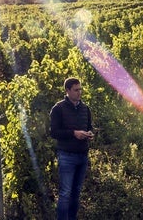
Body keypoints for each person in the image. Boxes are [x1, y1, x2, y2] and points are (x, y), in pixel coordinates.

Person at [50, 77, 94, 220]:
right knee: (65, 193)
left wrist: (90, 134)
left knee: (76, 192)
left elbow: (89, 128)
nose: (79, 92)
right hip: (67, 156)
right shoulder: (58, 109)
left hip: (82, 156)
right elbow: (54, 133)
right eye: (76, 90)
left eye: (80, 89)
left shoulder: (85, 109)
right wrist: (74, 133)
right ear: (67, 90)